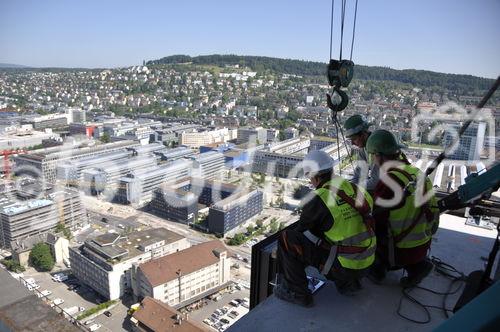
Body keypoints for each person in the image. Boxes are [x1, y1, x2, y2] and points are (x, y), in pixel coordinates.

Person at [274, 150, 376, 307]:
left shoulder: (318, 198)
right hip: (368, 262)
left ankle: (298, 294)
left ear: (315, 176)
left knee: (287, 239)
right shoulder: (356, 189)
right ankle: (348, 283)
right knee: (333, 236)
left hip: (345, 267)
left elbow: (301, 232)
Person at [365, 129, 439, 287]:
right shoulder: (417, 173)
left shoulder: (388, 182)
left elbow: (376, 221)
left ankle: (378, 269)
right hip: (422, 244)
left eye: (373, 155)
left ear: (378, 155)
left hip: (400, 249)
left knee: (363, 229)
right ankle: (418, 267)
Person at [344, 114, 379, 193]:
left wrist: (354, 187)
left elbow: (376, 182)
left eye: (354, 139)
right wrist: (348, 187)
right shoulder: (363, 148)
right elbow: (359, 173)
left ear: (363, 134)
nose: (352, 143)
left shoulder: (376, 148)